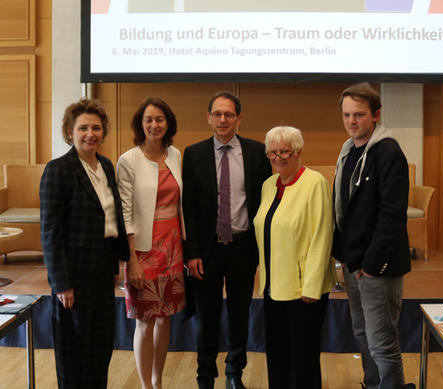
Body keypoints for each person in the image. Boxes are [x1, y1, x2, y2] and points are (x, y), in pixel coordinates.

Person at [182, 91, 272, 389]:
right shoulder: (193, 154)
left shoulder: (257, 152)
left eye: (228, 114)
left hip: (243, 247)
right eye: (217, 114)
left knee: (238, 315)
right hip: (206, 251)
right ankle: (205, 377)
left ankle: (235, 374)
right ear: (208, 118)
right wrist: (191, 252)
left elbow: (263, 201)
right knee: (206, 318)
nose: (222, 119)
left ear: (239, 119)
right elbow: (189, 208)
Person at [40, 98, 130, 389]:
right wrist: (61, 283)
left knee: (100, 346)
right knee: (74, 351)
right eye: (83, 128)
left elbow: (112, 215)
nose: (90, 133)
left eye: (96, 127)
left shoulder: (105, 165)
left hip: (103, 268)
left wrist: (118, 261)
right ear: (69, 131)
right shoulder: (58, 170)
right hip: (74, 275)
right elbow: (50, 232)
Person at [332, 83, 414, 389]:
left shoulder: (388, 151)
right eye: (347, 115)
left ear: (375, 115)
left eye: (359, 115)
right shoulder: (348, 151)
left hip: (377, 266)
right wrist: (343, 257)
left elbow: (392, 215)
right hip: (354, 263)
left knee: (382, 340)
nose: (352, 121)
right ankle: (372, 384)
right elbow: (343, 208)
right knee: (362, 333)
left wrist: (371, 263)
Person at [253, 126, 335, 389]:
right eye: (273, 152)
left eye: (285, 151)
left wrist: (311, 285)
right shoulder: (268, 185)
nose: (279, 157)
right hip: (273, 287)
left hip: (303, 291)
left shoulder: (315, 183)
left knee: (303, 359)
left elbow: (321, 237)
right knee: (277, 355)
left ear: (298, 151)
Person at [116, 97, 186, 389]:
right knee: (144, 320)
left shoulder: (175, 155)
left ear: (167, 123)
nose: (154, 125)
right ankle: (146, 385)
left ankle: (158, 381)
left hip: (173, 248)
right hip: (142, 251)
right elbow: (125, 213)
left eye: (160, 119)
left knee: (165, 319)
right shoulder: (128, 160)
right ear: (140, 124)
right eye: (149, 120)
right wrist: (130, 260)